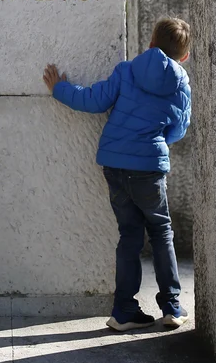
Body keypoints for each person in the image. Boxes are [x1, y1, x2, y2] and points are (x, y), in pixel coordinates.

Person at [42, 17, 191, 332]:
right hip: (149, 169)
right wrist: (159, 141)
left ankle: (123, 311)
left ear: (150, 42)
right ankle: (172, 308)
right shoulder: (180, 84)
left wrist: (60, 89)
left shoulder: (127, 70)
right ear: (184, 56)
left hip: (115, 166)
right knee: (161, 233)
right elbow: (178, 129)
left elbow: (94, 101)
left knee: (129, 236)